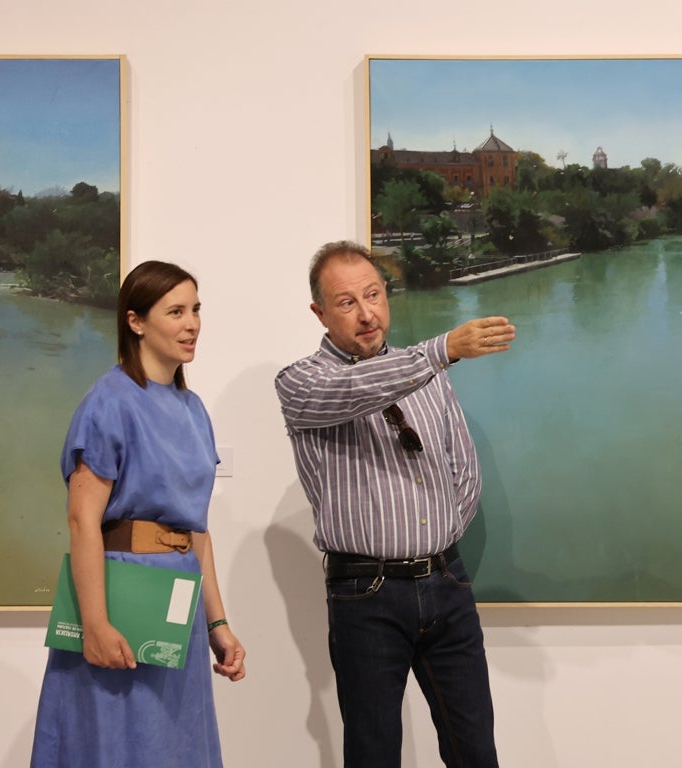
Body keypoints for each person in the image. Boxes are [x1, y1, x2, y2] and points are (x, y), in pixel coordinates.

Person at [275, 240, 514, 767]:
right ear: (319, 312)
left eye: (374, 295)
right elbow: (355, 389)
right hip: (367, 593)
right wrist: (443, 349)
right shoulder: (302, 382)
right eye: (346, 303)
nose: (367, 314)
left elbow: (463, 470)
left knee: (475, 749)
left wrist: (440, 539)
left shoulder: (427, 376)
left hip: (446, 583)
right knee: (374, 752)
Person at [30, 261, 246, 768]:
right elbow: (84, 521)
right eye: (176, 311)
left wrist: (218, 623)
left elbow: (198, 531)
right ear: (136, 322)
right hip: (121, 597)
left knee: (173, 743)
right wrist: (95, 623)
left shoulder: (193, 410)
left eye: (196, 310)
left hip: (179, 600)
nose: (192, 323)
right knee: (115, 743)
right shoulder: (108, 402)